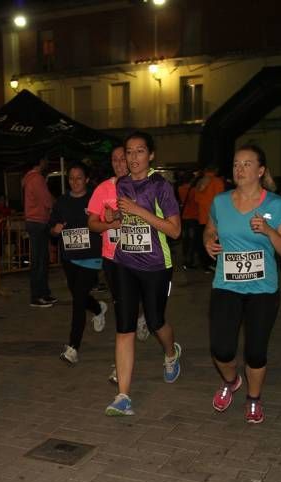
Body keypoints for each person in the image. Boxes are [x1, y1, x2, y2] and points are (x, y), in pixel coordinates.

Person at [204, 145, 281, 424]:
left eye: (247, 164)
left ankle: (254, 398)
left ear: (261, 170)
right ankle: (232, 381)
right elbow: (210, 228)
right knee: (221, 349)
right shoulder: (220, 202)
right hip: (226, 285)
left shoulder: (277, 206)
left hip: (263, 290)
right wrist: (208, 241)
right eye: (236, 164)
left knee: (255, 351)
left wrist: (268, 231)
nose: (240, 169)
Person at [104, 132, 183, 417]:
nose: (133, 157)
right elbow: (125, 219)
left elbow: (175, 230)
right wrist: (113, 218)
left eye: (140, 152)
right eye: (129, 152)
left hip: (156, 266)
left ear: (150, 155)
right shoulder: (122, 184)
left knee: (155, 321)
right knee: (124, 327)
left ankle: (171, 352)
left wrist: (139, 210)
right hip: (125, 262)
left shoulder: (161, 186)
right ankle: (123, 395)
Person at [87, 145, 150, 384]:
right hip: (113, 257)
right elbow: (92, 223)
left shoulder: (146, 185)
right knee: (122, 307)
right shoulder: (104, 188)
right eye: (114, 160)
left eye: (123, 158)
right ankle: (120, 364)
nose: (119, 163)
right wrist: (110, 225)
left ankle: (143, 315)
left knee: (143, 304)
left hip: (143, 256)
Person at [50, 162, 107, 365]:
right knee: (79, 296)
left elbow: (105, 220)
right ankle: (98, 308)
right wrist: (55, 230)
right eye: (71, 178)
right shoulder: (61, 202)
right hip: (70, 257)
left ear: (86, 179)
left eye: (79, 178)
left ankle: (73, 347)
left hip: (91, 257)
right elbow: (52, 227)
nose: (75, 182)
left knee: (78, 302)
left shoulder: (95, 197)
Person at [22, 155, 57, 308]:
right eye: (45, 160)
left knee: (41, 260)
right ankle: (37, 296)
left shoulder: (29, 178)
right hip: (38, 222)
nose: (47, 162)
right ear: (40, 161)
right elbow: (47, 200)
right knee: (40, 261)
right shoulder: (36, 179)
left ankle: (43, 293)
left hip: (35, 221)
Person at [194, 165, 225, 272]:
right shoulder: (218, 181)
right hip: (214, 217)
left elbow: (196, 199)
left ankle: (205, 264)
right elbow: (221, 199)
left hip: (201, 216)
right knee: (216, 241)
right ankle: (214, 263)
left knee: (203, 241)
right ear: (215, 170)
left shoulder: (199, 182)